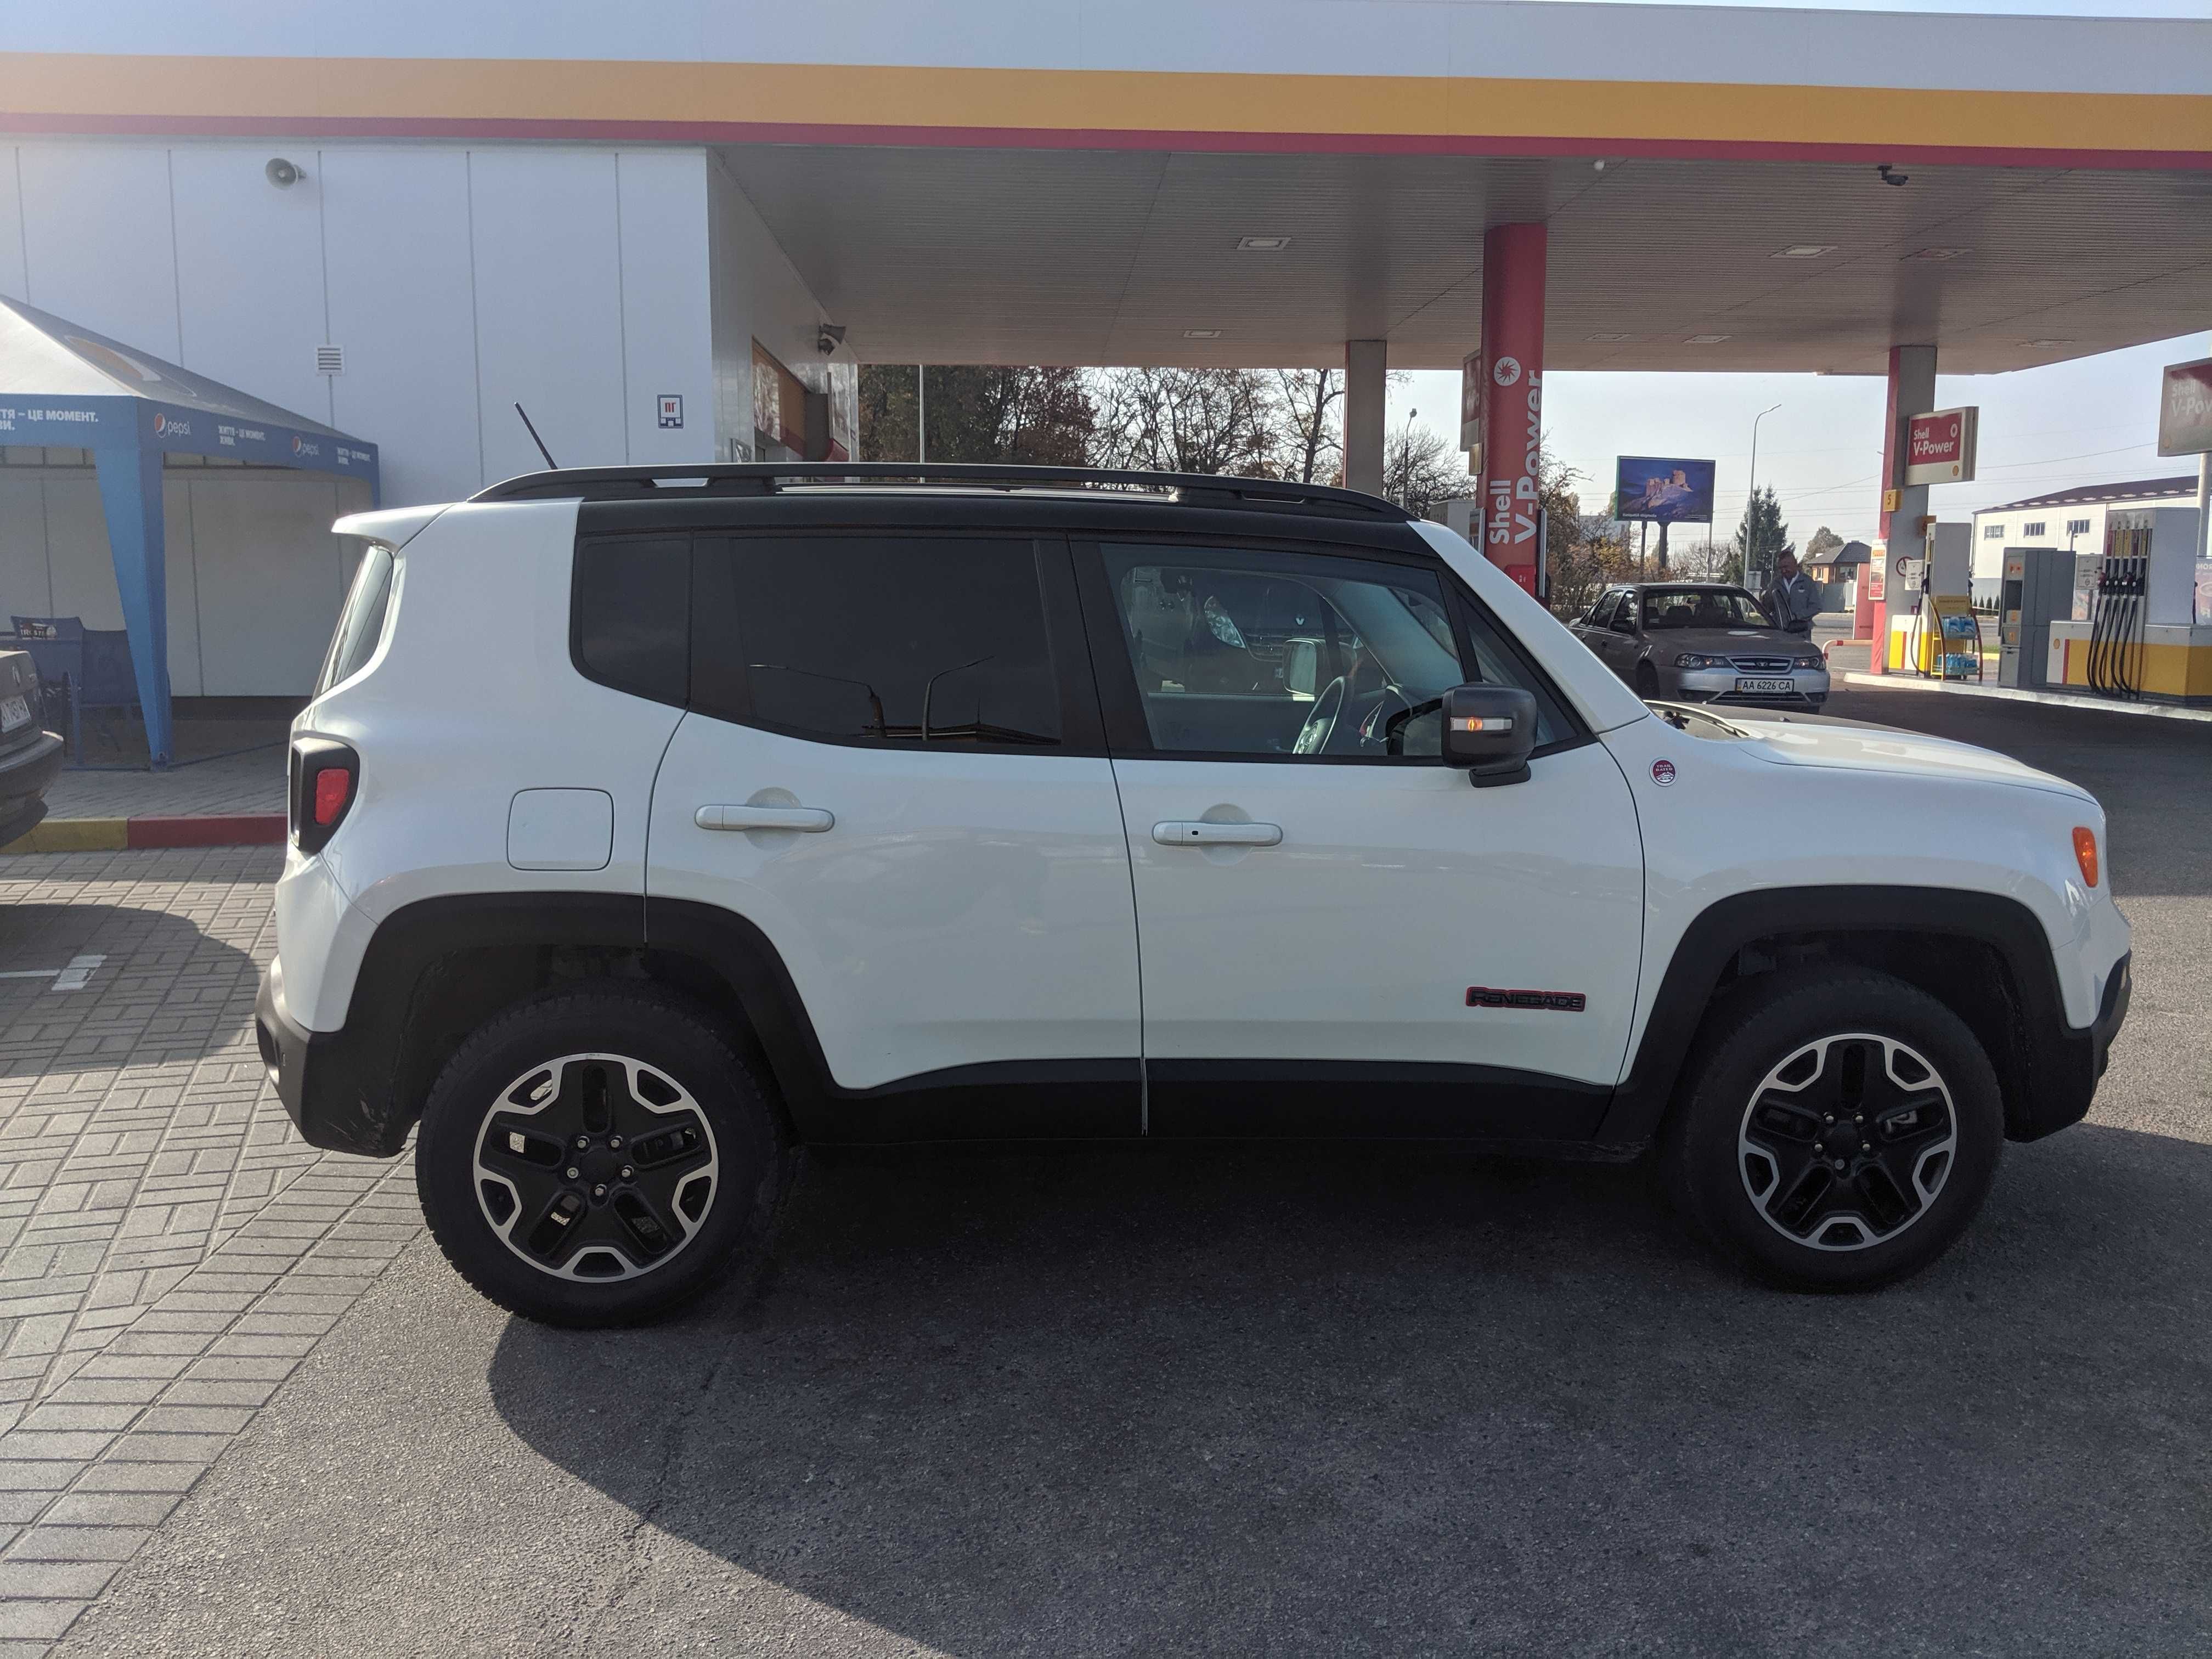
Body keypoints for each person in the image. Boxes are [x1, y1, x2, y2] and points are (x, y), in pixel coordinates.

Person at [1764, 550, 1821, 637]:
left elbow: (1816, 607)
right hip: (1780, 632)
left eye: (1786, 567)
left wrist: (1797, 616)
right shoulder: (1776, 583)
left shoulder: (1808, 582)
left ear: (1795, 564)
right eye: (1781, 568)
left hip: (1801, 632)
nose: (1784, 571)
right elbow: (1767, 607)